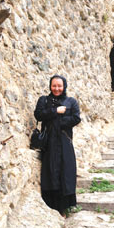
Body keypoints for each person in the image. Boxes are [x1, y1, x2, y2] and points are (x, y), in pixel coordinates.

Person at [34, 75, 81, 217]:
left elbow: (76, 118)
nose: (56, 88)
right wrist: (55, 111)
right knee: (51, 173)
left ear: (64, 86)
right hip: (50, 143)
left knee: (65, 172)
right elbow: (38, 115)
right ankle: (51, 206)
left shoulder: (71, 102)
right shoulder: (44, 100)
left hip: (65, 141)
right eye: (54, 86)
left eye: (59, 86)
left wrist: (59, 122)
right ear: (50, 86)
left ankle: (64, 207)